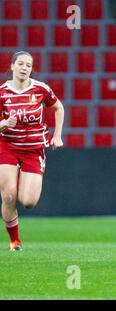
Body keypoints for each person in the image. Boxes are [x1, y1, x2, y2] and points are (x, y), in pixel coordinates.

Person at [0, 51, 64, 251]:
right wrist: (3, 124)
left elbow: (59, 108)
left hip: (33, 149)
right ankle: (15, 242)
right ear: (12, 66)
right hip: (7, 147)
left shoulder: (41, 89)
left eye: (29, 65)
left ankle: (20, 179)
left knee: (28, 202)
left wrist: (57, 135)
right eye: (20, 63)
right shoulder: (2, 92)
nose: (24, 68)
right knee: (9, 196)